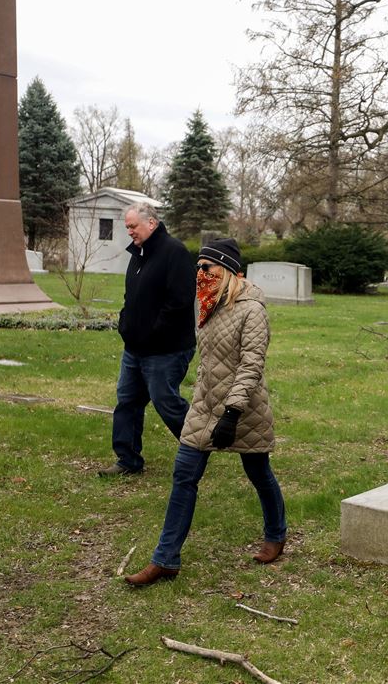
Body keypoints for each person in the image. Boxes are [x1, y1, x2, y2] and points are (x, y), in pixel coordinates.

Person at [125, 237, 287, 585]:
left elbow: (251, 365)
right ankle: (166, 559)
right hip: (204, 406)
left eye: (206, 267)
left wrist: (231, 414)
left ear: (226, 270)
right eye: (197, 267)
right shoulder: (208, 304)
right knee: (184, 476)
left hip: (242, 409)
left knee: (259, 473)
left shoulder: (252, 310)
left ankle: (276, 534)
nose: (199, 272)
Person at [98, 202, 196, 477]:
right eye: (127, 226)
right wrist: (125, 323)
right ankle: (127, 460)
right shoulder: (138, 254)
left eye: (133, 226)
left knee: (166, 401)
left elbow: (180, 302)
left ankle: (198, 444)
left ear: (151, 223)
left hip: (167, 349)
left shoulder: (174, 252)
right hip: (135, 348)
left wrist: (153, 333)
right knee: (127, 401)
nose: (129, 231)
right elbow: (132, 297)